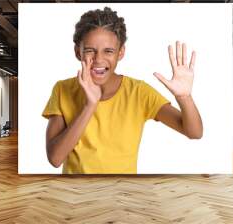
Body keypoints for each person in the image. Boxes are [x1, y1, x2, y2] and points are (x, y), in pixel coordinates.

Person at [42, 7, 203, 174]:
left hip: (123, 193)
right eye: (90, 50)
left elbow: (194, 132)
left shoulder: (139, 92)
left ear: (120, 53)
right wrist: (89, 106)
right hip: (77, 195)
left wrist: (184, 97)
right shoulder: (63, 89)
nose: (98, 59)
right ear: (78, 52)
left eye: (108, 51)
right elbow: (55, 158)